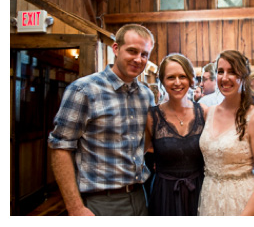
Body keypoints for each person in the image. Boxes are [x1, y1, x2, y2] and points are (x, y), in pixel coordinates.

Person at [48, 24, 155, 215]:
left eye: (144, 54)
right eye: (132, 51)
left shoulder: (146, 95)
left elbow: (142, 146)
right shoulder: (84, 90)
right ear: (116, 49)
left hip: (140, 196)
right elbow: (60, 148)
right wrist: (75, 207)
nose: (138, 59)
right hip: (101, 202)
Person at [195, 50, 254, 215]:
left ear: (244, 77)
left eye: (232, 72)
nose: (225, 77)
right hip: (210, 196)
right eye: (221, 71)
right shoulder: (209, 113)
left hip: (241, 201)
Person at [145, 53, 205, 216]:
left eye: (182, 76)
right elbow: (139, 155)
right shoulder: (152, 117)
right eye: (171, 77)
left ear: (191, 79)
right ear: (162, 81)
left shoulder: (204, 112)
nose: (177, 82)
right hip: (165, 193)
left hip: (200, 191)